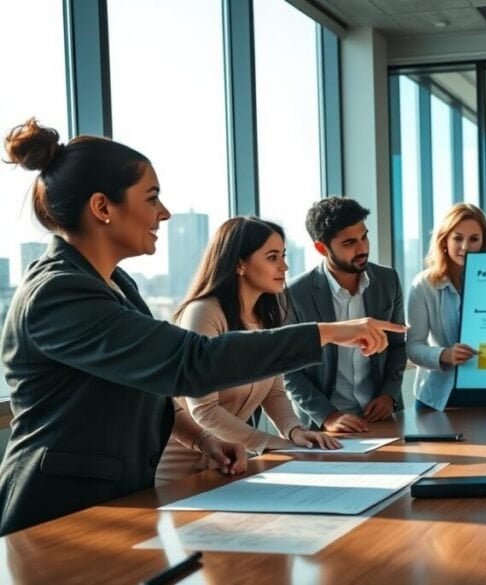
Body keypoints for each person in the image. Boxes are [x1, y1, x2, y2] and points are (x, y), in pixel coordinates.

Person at [0, 119, 403, 536]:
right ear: (102, 208)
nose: (164, 212)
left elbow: (152, 383)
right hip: (57, 516)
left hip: (114, 507)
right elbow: (191, 361)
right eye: (152, 198)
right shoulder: (59, 292)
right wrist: (328, 332)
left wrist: (201, 440)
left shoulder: (115, 283)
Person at [156, 217, 339, 484]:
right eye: (272, 257)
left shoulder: (266, 316)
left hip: (232, 461)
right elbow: (203, 410)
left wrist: (294, 431)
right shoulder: (204, 312)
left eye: (283, 256)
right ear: (240, 263)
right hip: (184, 467)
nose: (284, 266)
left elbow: (274, 390)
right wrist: (269, 443)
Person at [284, 197, 406, 432]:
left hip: (381, 418)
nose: (362, 249)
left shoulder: (388, 281)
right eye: (349, 243)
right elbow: (289, 370)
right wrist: (327, 415)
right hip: (323, 426)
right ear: (322, 248)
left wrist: (389, 396)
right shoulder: (294, 294)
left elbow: (398, 346)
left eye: (364, 237)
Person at [407, 203, 486, 410]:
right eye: (458, 238)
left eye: (474, 239)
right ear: (444, 240)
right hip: (439, 399)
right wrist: (444, 355)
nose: (465, 246)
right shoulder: (424, 285)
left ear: (483, 242)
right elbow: (412, 347)